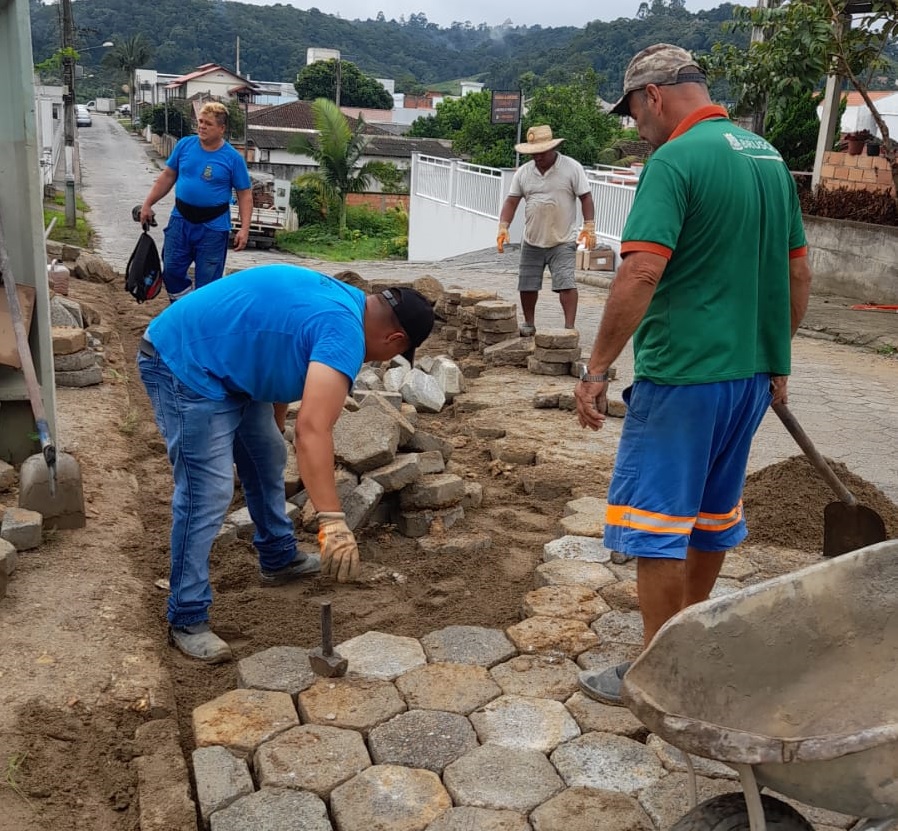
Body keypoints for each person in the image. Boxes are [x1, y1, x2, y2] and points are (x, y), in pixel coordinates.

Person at [573, 44, 812, 705]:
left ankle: (657, 675)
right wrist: (777, 359)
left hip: (683, 377)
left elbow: (642, 271)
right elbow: (797, 272)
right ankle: (690, 643)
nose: (634, 126)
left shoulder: (674, 161)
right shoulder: (766, 158)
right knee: (711, 518)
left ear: (654, 95)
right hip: (750, 379)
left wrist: (596, 368)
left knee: (656, 522)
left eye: (632, 112)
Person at [137, 264, 435, 663]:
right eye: (395, 354)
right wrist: (332, 519)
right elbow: (312, 430)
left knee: (268, 454)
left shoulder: (344, 299)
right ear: (395, 338)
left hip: (228, 365)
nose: (382, 361)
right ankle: (187, 615)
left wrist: (273, 427)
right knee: (207, 492)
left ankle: (278, 558)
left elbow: (277, 349)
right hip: (186, 365)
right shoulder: (344, 332)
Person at [139, 101, 252, 301]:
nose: (202, 126)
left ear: (221, 128)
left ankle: (199, 319)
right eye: (200, 121)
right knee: (171, 270)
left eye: (208, 123)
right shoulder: (185, 145)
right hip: (180, 220)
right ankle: (183, 305)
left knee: (208, 283)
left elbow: (244, 194)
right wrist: (148, 204)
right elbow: (167, 176)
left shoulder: (233, 159)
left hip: (213, 228)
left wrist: (244, 228)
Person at [497, 125, 596, 334]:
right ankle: (529, 324)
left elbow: (585, 197)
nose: (537, 157)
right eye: (534, 153)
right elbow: (511, 201)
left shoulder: (571, 168)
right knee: (527, 284)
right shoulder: (524, 173)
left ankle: (569, 327)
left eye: (541, 152)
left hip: (562, 239)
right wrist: (503, 226)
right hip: (532, 239)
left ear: (552, 149)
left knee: (566, 283)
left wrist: (589, 225)